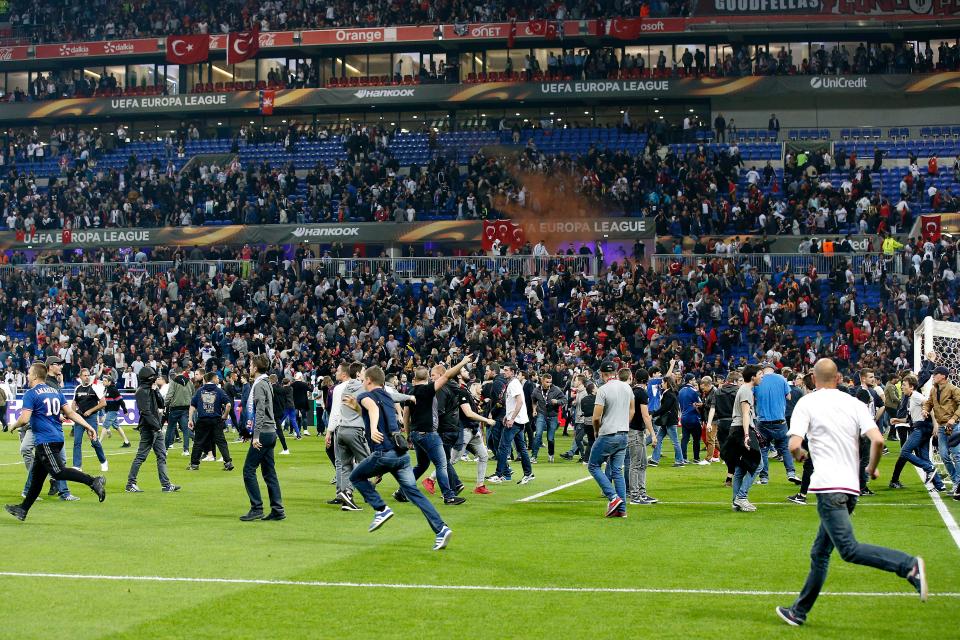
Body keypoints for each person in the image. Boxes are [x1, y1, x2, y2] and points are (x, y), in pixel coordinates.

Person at [776, 358, 928, 627]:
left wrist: (800, 454)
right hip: (850, 488)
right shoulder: (854, 403)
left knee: (848, 549)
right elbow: (878, 440)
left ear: (813, 377)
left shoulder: (807, 403)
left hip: (828, 487)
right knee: (820, 553)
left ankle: (908, 566)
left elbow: (793, 445)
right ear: (838, 378)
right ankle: (798, 611)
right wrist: (872, 467)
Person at [348, 365, 453, 550]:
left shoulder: (365, 396)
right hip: (401, 455)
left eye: (364, 379)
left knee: (355, 476)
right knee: (414, 494)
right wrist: (357, 410)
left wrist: (373, 429)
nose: (362, 382)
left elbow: (373, 410)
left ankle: (381, 509)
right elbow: (373, 412)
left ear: (369, 381)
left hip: (384, 453)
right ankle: (441, 529)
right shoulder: (387, 396)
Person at [5, 362, 106, 521]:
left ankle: (93, 481)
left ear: (36, 376)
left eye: (30, 373)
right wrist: (88, 426)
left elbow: (24, 419)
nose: (28, 375)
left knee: (58, 472)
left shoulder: (31, 394)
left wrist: (13, 425)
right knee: (37, 478)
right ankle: (23, 509)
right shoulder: (54, 391)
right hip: (56, 438)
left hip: (45, 440)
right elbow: (70, 413)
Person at [403, 354, 472, 503]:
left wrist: (408, 435)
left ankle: (402, 492)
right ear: (427, 377)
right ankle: (448, 496)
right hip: (428, 434)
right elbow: (447, 375)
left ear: (414, 378)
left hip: (415, 434)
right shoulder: (429, 389)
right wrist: (463, 362)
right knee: (442, 464)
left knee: (422, 464)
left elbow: (405, 416)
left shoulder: (410, 393)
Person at [240, 354, 284, 521]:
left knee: (248, 470)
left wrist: (255, 436)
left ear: (256, 368)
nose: (249, 368)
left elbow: (259, 412)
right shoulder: (266, 383)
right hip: (270, 432)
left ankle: (256, 507)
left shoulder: (259, 386)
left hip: (263, 433)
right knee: (269, 473)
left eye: (251, 365)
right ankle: (277, 510)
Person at [588, 361, 634, 518]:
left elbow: (596, 417)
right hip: (623, 434)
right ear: (615, 372)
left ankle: (613, 498)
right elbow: (632, 409)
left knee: (593, 466)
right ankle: (622, 510)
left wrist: (596, 431)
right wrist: (624, 423)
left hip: (608, 434)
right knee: (617, 471)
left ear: (602, 374)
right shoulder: (627, 387)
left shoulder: (603, 390)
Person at [127, 366, 181, 493]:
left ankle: (166, 485)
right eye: (154, 377)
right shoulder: (141, 391)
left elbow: (162, 404)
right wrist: (157, 428)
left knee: (161, 456)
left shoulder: (150, 389)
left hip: (156, 427)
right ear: (149, 378)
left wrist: (156, 390)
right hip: (149, 429)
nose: (156, 379)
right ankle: (130, 484)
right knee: (141, 457)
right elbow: (145, 412)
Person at [887, 374, 945, 492]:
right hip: (920, 427)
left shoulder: (916, 396)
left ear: (911, 387)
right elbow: (910, 419)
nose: (902, 387)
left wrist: (935, 424)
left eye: (904, 385)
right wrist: (897, 420)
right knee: (923, 456)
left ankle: (929, 468)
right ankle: (940, 485)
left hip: (921, 428)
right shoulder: (910, 398)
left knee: (905, 451)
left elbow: (930, 406)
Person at [723, 364, 762, 512]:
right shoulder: (746, 391)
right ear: (753, 377)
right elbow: (745, 414)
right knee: (759, 465)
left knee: (741, 467)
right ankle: (742, 497)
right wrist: (747, 435)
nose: (762, 377)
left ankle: (735, 501)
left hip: (737, 429)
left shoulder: (744, 389)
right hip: (742, 430)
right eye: (760, 374)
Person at [489, 363, 535, 485]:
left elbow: (519, 402)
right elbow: (514, 403)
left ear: (513, 372)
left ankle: (500, 474)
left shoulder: (513, 384)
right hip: (519, 420)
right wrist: (507, 416)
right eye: (504, 370)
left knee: (503, 447)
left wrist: (512, 418)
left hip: (515, 421)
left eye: (507, 370)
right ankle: (528, 473)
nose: (504, 372)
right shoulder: (513, 383)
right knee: (521, 448)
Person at [754, 363, 799, 485]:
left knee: (763, 450)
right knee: (785, 448)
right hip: (780, 421)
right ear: (774, 369)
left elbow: (753, 397)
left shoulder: (759, 380)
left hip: (763, 421)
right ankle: (791, 473)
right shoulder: (781, 379)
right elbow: (789, 397)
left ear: (763, 370)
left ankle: (764, 478)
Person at [334, 362, 370, 511]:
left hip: (341, 429)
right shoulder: (363, 389)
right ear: (358, 374)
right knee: (367, 462)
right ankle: (351, 492)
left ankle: (345, 498)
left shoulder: (344, 388)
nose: (366, 373)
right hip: (355, 430)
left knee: (345, 465)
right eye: (364, 371)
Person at [921, 365, 960, 497]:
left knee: (956, 455)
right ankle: (956, 482)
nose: (933, 376)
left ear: (943, 376)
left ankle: (958, 484)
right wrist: (925, 409)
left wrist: (954, 419)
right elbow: (928, 403)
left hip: (954, 426)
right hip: (942, 426)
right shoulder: (933, 390)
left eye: (935, 374)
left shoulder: (953, 389)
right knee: (944, 456)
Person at [452, 376, 495, 495]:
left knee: (483, 455)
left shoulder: (465, 390)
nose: (481, 389)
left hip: (473, 430)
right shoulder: (460, 391)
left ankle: (480, 486)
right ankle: (431, 479)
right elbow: (468, 413)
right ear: (459, 376)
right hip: (465, 430)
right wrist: (486, 420)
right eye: (464, 371)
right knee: (452, 460)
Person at [187, 372, 234, 471]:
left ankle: (194, 464)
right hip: (216, 420)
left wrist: (190, 419)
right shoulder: (219, 391)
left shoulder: (199, 391)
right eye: (217, 378)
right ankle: (228, 462)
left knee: (198, 442)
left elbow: (192, 405)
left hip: (202, 420)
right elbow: (228, 405)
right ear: (213, 379)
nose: (218, 379)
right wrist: (224, 416)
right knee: (221, 442)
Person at [628, 368, 658, 505]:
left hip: (635, 430)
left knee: (642, 463)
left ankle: (642, 493)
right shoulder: (642, 393)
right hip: (635, 432)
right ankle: (635, 495)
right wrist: (652, 433)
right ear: (647, 380)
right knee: (636, 464)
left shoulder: (631, 391)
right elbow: (646, 415)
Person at [70, 368, 109, 472]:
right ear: (80, 377)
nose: (87, 377)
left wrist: (90, 411)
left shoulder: (95, 388)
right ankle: (77, 466)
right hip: (80, 418)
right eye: (85, 375)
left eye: (88, 375)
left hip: (91, 418)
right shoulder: (77, 388)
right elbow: (74, 403)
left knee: (94, 441)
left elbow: (103, 403)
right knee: (77, 442)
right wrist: (73, 415)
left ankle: (103, 461)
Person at [531, 373, 564, 463]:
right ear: (542, 381)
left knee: (550, 438)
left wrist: (557, 401)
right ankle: (534, 456)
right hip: (541, 414)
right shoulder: (536, 390)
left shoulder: (556, 390)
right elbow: (534, 401)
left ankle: (551, 454)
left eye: (550, 382)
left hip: (553, 415)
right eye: (547, 382)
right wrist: (534, 410)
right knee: (538, 435)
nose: (549, 384)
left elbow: (564, 400)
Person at [650, 374, 683, 467]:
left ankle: (680, 461)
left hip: (669, 421)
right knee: (658, 439)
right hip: (667, 420)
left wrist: (653, 414)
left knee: (675, 441)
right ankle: (654, 460)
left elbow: (664, 408)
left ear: (666, 383)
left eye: (663, 382)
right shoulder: (671, 393)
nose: (662, 384)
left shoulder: (669, 394)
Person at [164, 369, 195, 454]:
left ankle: (165, 449)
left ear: (176, 374)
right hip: (186, 408)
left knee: (170, 428)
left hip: (175, 408)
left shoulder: (174, 382)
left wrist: (165, 404)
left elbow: (170, 394)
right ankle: (186, 450)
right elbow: (193, 394)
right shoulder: (189, 382)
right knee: (185, 429)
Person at [678, 373, 706, 465]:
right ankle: (696, 458)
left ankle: (683, 458)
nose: (695, 381)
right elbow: (700, 404)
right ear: (690, 381)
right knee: (696, 439)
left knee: (685, 439)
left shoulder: (681, 391)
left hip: (684, 417)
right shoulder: (693, 391)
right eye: (693, 380)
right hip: (693, 417)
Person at [99, 372, 131, 448]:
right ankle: (126, 442)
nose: (103, 382)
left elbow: (121, 400)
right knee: (117, 426)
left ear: (109, 382)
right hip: (110, 410)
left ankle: (99, 443)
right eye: (103, 380)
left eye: (105, 381)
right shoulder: (106, 389)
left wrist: (125, 410)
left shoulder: (113, 390)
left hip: (113, 411)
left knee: (105, 425)